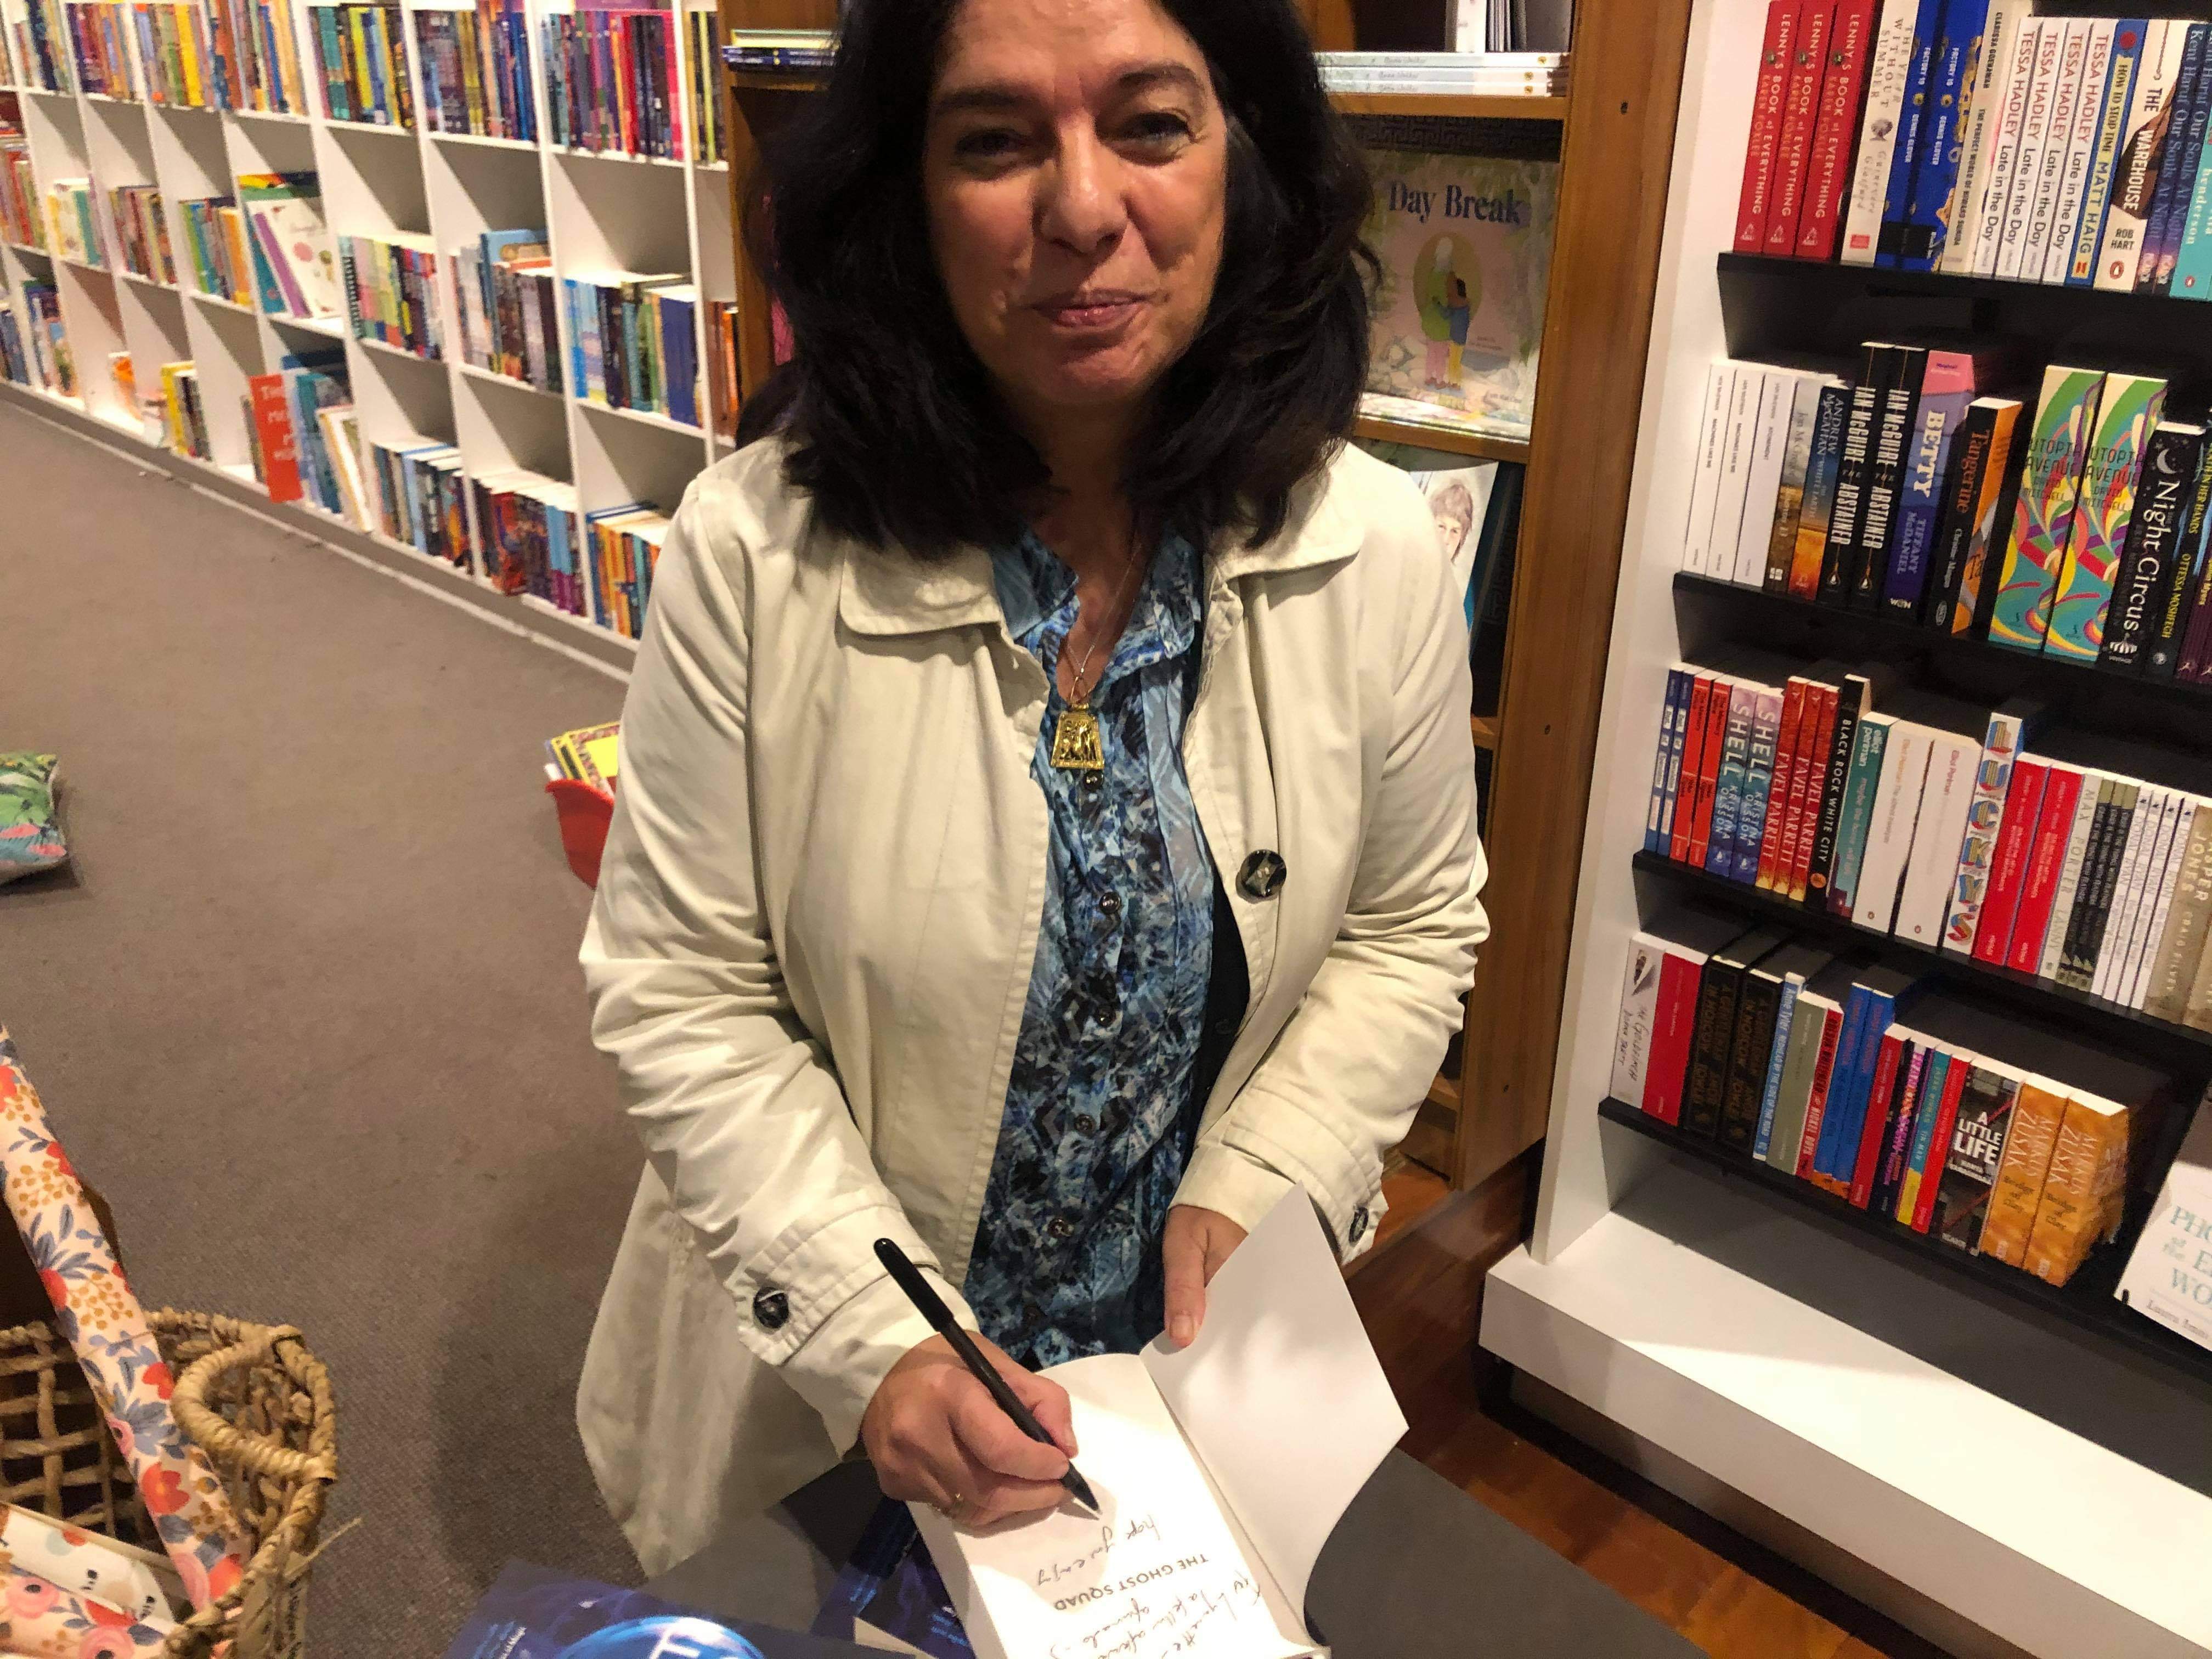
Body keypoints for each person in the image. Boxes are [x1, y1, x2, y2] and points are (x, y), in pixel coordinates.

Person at [576, 0, 1489, 1576]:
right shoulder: (751, 552)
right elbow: (683, 992)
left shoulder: (1380, 545)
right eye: (996, 142)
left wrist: (1276, 1173)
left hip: (1189, 1390)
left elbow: (1409, 930)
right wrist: (879, 1341)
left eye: (1152, 125)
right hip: (838, 1394)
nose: (1081, 207)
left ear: (1247, 160)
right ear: (907, 195)